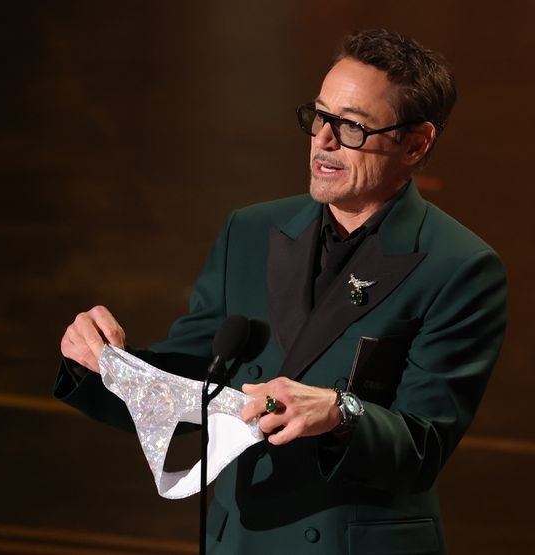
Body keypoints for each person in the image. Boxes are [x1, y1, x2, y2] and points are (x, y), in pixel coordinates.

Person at [57, 29, 507, 554]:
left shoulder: (460, 267)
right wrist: (105, 364)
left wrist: (342, 411)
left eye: (353, 127)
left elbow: (423, 446)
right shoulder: (248, 232)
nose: (324, 141)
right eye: (320, 116)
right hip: (243, 539)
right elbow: (194, 384)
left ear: (416, 142)